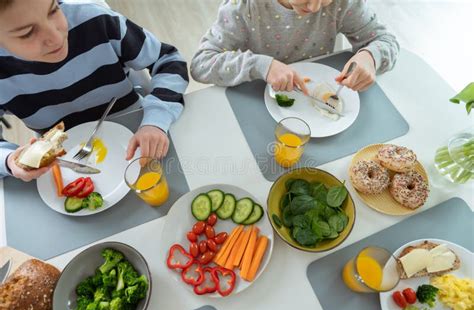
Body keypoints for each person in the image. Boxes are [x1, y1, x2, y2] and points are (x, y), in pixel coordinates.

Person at [0, 0, 188, 181]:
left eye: (52, 10)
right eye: (27, 33)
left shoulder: (96, 21)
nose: (57, 37)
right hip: (66, 171)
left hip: (142, 135)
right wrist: (8, 161)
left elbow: (169, 61)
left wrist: (155, 120)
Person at [191, 0, 399, 95]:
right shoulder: (243, 8)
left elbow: (385, 39)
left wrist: (370, 57)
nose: (315, 7)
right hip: (259, 98)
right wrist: (262, 66)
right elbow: (201, 64)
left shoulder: (342, 3)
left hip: (314, 99)